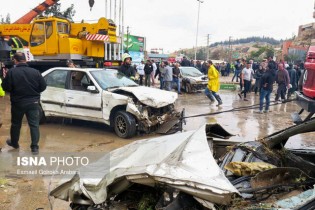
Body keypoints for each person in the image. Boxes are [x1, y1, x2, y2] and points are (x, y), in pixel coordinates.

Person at [1, 52, 47, 155]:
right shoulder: (36, 72)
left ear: (15, 60)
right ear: (25, 60)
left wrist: (14, 90)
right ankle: (34, 148)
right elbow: (43, 86)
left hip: (18, 103)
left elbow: (6, 87)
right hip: (33, 103)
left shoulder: (12, 72)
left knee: (16, 124)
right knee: (34, 125)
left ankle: (14, 143)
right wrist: (35, 94)